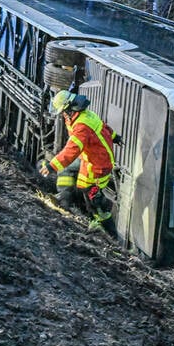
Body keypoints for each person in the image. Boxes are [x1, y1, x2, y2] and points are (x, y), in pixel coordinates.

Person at [39, 90, 118, 238]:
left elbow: (71, 151)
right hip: (91, 158)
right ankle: (65, 201)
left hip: (98, 165)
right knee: (69, 171)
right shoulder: (85, 115)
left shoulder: (81, 126)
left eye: (63, 112)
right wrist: (115, 137)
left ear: (69, 109)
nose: (62, 115)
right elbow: (104, 127)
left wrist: (51, 166)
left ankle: (108, 233)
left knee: (92, 197)